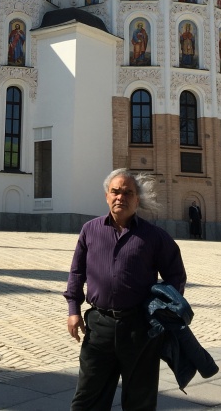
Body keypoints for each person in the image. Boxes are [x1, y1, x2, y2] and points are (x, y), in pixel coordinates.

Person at [65, 169, 186, 410]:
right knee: (88, 397)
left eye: (128, 192)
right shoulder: (90, 230)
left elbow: (176, 274)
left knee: (140, 400)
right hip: (100, 327)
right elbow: (77, 272)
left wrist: (160, 309)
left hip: (140, 329)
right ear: (106, 196)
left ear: (137, 199)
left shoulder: (153, 236)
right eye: (115, 191)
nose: (121, 197)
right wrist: (73, 310)